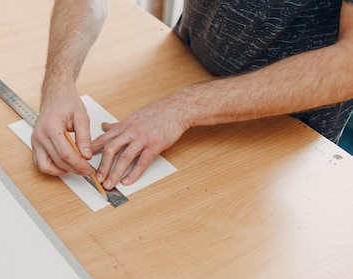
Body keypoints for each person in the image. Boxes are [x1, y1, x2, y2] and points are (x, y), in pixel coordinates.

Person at [31, 0, 353, 190]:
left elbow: (348, 64)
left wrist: (185, 106)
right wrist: (58, 82)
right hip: (182, 64)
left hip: (285, 132)